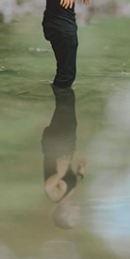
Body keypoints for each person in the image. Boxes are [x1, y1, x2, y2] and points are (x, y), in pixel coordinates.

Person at [42, 85, 87, 229]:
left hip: (56, 144)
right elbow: (72, 181)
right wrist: (80, 173)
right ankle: (62, 85)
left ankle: (61, 84)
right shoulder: (67, 194)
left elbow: (48, 186)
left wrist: (59, 174)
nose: (77, 215)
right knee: (67, 110)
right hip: (66, 145)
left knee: (65, 107)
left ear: (64, 214)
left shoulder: (56, 196)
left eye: (73, 217)